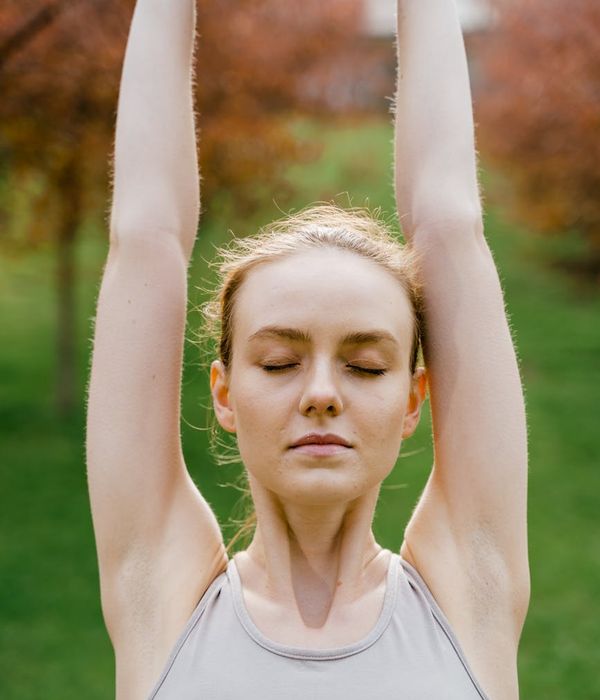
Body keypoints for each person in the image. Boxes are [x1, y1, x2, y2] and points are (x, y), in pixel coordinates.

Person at [85, 1, 530, 698]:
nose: (322, 392)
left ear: (415, 398)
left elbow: (449, 224)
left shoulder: (469, 593)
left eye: (365, 365)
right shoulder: (159, 599)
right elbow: (146, 236)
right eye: (280, 362)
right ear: (225, 392)